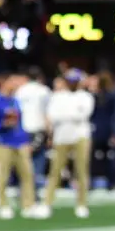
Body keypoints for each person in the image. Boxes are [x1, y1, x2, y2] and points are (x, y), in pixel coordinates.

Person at [39, 69, 94, 219]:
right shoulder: (58, 97)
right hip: (61, 137)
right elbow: (53, 116)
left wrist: (66, 115)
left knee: (81, 171)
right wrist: (70, 115)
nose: (72, 84)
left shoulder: (85, 97)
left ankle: (82, 204)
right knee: (55, 171)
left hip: (80, 137)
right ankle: (47, 204)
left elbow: (83, 114)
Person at [0, 74, 38, 219]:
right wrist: (2, 125)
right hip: (4, 142)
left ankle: (28, 205)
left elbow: (20, 123)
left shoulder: (15, 100)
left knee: (27, 174)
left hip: (20, 142)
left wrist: (26, 140)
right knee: (3, 176)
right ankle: (3, 205)